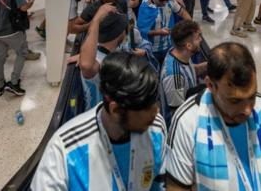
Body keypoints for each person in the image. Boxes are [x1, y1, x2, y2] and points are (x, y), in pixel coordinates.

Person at [166, 42, 261, 191]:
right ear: (211, 85)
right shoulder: (187, 122)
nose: (247, 110)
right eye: (235, 101)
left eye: (252, 96)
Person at [31, 51, 166, 190]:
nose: (156, 111)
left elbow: (159, 182)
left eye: (155, 102)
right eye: (145, 108)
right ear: (116, 110)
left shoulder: (156, 128)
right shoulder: (64, 150)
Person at [79, 5, 128, 108]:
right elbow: (87, 66)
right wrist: (96, 19)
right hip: (98, 117)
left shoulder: (100, 49)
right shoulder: (98, 60)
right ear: (120, 32)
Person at [159, 19, 206, 126]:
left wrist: (210, 64)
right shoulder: (174, 76)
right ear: (188, 45)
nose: (201, 40)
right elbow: (178, 112)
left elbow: (190, 70)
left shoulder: (179, 52)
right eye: (198, 38)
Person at [137, 0, 191, 65]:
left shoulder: (169, 1)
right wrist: (159, 32)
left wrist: (191, 25)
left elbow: (182, 13)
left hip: (168, 46)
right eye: (161, 1)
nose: (165, 3)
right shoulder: (146, 7)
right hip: (152, 50)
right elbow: (142, 31)